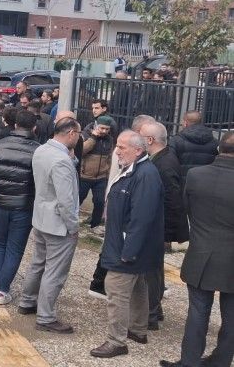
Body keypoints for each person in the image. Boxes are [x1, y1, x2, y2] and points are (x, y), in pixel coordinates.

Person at [160, 132, 234, 367]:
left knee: (198, 312)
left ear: (219, 148)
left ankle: (189, 361)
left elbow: (187, 208)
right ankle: (221, 361)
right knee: (231, 317)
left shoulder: (195, 175)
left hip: (201, 252)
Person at [90, 131, 164, 359]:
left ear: (138, 150)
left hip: (126, 247)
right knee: (139, 284)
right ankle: (138, 329)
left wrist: (128, 251)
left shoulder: (146, 175)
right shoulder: (135, 169)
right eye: (117, 146)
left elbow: (142, 218)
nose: (117, 151)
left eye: (122, 147)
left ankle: (116, 341)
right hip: (125, 244)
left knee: (116, 289)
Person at [17, 118, 82, 334]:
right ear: (71, 133)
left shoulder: (42, 150)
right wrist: (73, 226)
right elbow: (66, 200)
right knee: (55, 271)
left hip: (41, 217)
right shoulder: (61, 160)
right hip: (58, 224)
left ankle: (27, 301)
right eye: (78, 134)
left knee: (38, 263)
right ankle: (46, 317)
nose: (79, 138)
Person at [0, 110, 40, 305]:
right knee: (14, 249)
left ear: (15, 125)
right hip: (23, 206)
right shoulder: (38, 150)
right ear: (34, 128)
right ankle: (2, 291)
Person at [140, 121, 188, 331]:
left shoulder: (164, 164)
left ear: (150, 140)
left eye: (141, 136)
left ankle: (150, 314)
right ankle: (155, 310)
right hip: (158, 226)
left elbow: (171, 200)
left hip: (158, 227)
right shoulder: (161, 158)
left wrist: (166, 233)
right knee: (154, 269)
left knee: (150, 271)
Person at [80, 115, 116, 230]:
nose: (104, 131)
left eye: (107, 129)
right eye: (102, 128)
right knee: (78, 200)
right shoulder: (85, 135)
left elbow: (109, 158)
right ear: (96, 126)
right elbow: (82, 150)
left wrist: (107, 174)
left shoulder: (109, 139)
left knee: (99, 202)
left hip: (101, 178)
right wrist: (93, 138)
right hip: (84, 176)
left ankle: (94, 225)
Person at [170, 110, 219, 175]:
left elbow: (170, 162)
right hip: (206, 178)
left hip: (183, 179)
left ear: (185, 123)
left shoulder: (176, 140)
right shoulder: (214, 142)